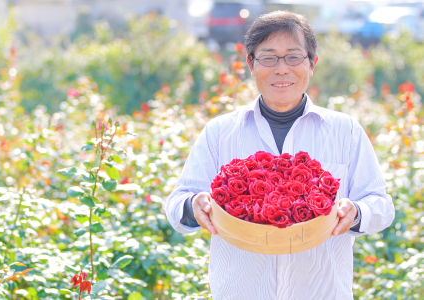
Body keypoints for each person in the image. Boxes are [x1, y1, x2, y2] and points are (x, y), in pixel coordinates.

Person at [165, 11, 395, 300]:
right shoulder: (220, 132)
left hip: (321, 293)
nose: (282, 69)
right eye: (268, 57)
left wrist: (357, 212)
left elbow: (381, 205)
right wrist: (193, 204)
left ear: (312, 64)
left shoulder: (344, 131)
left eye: (294, 57)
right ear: (250, 64)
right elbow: (177, 203)